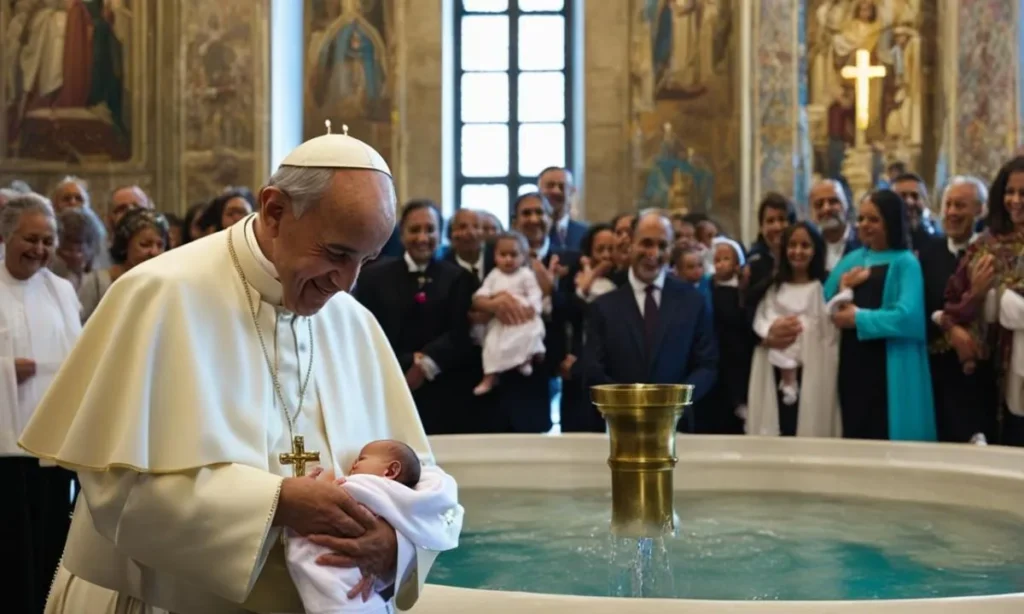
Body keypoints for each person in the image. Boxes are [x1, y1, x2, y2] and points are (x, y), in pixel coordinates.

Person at [20, 129, 463, 613]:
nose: (346, 283)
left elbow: (423, 478)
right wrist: (275, 502)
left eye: (366, 259)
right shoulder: (160, 295)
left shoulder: (352, 320)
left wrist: (395, 546)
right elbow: (115, 491)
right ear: (274, 211)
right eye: (336, 253)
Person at [0, 193, 82, 614]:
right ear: (5, 235)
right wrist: (6, 370)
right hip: (5, 449)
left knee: (51, 544)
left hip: (52, 446)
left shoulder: (61, 290)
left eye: (48, 241)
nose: (40, 249)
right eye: (31, 239)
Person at [286, 440, 460, 614]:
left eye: (361, 459)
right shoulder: (384, 490)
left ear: (391, 471)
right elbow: (429, 508)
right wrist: (283, 498)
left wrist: (395, 543)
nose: (353, 464)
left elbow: (430, 488)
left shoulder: (364, 484)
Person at [584, 211, 718, 433]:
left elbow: (707, 363)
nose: (653, 253)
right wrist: (625, 405)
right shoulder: (604, 306)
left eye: (662, 245)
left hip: (677, 425)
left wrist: (675, 403)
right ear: (630, 245)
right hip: (620, 427)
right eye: (646, 243)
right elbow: (593, 367)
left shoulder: (693, 302)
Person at [825, 189, 936, 441]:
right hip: (852, 363)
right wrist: (843, 285)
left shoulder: (905, 262)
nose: (865, 225)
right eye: (862, 219)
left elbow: (908, 317)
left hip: (888, 366)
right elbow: (825, 303)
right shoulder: (853, 258)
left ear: (891, 221)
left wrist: (858, 318)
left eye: (873, 219)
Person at [747, 222, 841, 437]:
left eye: (805, 245)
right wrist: (770, 332)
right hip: (775, 371)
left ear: (816, 249)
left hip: (813, 371)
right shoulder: (774, 287)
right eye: (792, 245)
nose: (798, 251)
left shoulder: (823, 288)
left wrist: (799, 330)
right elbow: (762, 319)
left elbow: (828, 333)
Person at [472, 232, 546, 395]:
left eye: (513, 255)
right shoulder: (493, 275)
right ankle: (490, 376)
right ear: (495, 256)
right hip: (499, 319)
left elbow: (535, 292)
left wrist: (533, 307)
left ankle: (525, 359)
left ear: (523, 256)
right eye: (503, 255)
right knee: (491, 343)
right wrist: (486, 301)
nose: (508, 259)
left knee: (530, 333)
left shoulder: (526, 274)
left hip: (523, 316)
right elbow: (483, 292)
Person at [78, 208, 170, 322]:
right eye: (145, 244)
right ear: (125, 245)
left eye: (160, 245)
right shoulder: (97, 283)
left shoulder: (166, 284)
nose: (154, 252)